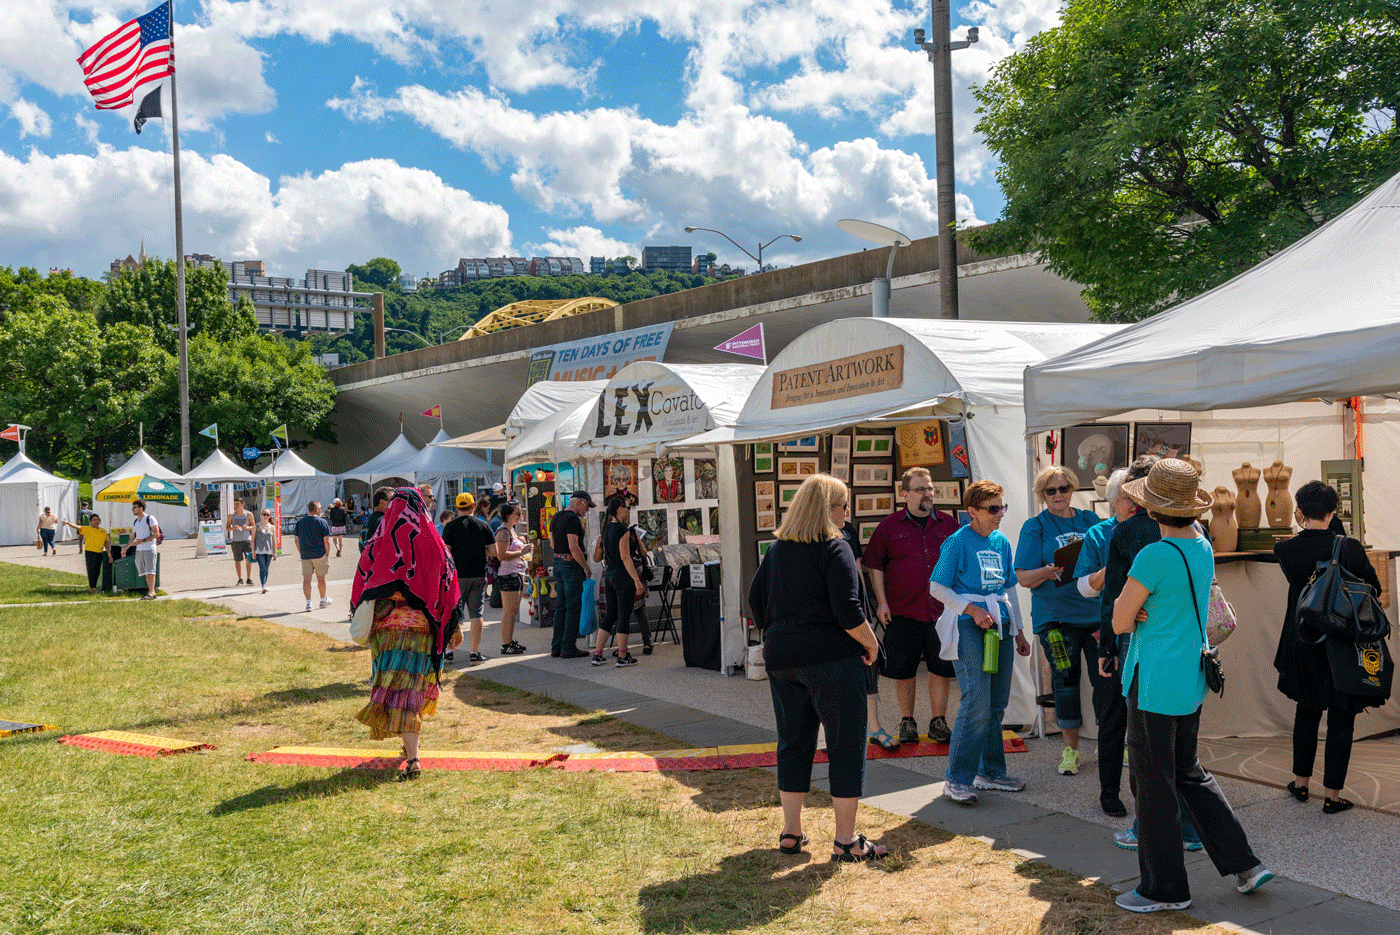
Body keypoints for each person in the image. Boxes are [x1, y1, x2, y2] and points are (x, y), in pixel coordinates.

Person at [1111, 459, 1272, 913]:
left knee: (1155, 783)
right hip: (1191, 675)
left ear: (1153, 509)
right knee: (1189, 772)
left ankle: (1164, 889)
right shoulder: (1201, 545)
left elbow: (1120, 619)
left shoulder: (1153, 555)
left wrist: (1138, 611)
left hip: (1154, 680)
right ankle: (1244, 863)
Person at [749, 474, 886, 861]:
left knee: (793, 742)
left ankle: (790, 832)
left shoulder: (778, 548)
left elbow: (754, 600)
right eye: (845, 506)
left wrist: (778, 632)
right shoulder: (835, 547)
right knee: (845, 745)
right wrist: (873, 643)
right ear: (830, 509)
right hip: (831, 659)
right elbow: (849, 612)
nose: (848, 514)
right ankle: (846, 840)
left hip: (784, 658)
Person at [1273, 480, 1384, 814]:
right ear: (1335, 510)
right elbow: (1374, 590)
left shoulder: (1286, 550)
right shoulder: (1349, 547)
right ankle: (1333, 796)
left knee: (1306, 710)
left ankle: (1301, 784)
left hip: (1303, 640)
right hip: (1341, 644)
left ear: (1299, 510)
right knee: (1341, 717)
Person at [929, 480, 1032, 805]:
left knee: (996, 703)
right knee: (976, 701)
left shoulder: (1001, 541)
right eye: (993, 509)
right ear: (972, 511)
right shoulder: (957, 542)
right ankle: (957, 778)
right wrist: (971, 610)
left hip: (999, 626)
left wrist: (1018, 630)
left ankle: (990, 772)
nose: (1000, 514)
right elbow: (937, 587)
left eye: (1002, 507)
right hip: (969, 627)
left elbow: (1009, 588)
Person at [352, 487, 463, 781]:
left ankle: (412, 755)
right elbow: (448, 584)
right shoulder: (432, 539)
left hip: (386, 634)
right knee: (410, 690)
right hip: (422, 632)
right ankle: (411, 754)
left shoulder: (378, 541)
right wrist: (455, 625)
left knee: (395, 687)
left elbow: (362, 581)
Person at [1015, 466, 1107, 778]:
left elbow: (1109, 556)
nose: (1059, 495)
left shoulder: (1090, 521)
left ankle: (1109, 743)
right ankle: (1071, 749)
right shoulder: (1035, 527)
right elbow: (1023, 578)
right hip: (1055, 619)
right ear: (1042, 495)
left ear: (1072, 489)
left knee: (1107, 682)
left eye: (1064, 488)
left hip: (1095, 616)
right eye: (1051, 490)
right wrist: (1048, 571)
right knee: (1065, 682)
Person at [862, 466, 960, 745]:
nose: (927, 494)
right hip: (903, 609)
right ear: (904, 494)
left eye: (929, 488)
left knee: (940, 667)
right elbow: (875, 566)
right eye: (920, 489)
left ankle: (938, 721)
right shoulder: (889, 527)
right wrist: (881, 602)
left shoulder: (948, 525)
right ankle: (907, 721)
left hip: (941, 609)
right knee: (903, 669)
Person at [1095, 455, 1160, 817]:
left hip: (1132, 632)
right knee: (1156, 722)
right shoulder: (1193, 531)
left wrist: (1107, 645)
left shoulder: (1127, 531)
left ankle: (1111, 793)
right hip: (1169, 633)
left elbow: (1113, 595)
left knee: (1118, 717)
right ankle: (1147, 803)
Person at [838, 511, 897, 751]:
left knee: (869, 667)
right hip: (830, 616)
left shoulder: (849, 530)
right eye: (842, 505)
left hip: (856, 609)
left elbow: (857, 570)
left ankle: (875, 728)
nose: (847, 511)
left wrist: (865, 608)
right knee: (833, 675)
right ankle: (827, 734)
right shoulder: (814, 532)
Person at [590, 496, 646, 667]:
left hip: (610, 576)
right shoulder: (624, 531)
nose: (629, 511)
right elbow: (625, 556)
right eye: (628, 508)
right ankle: (622, 655)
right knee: (623, 616)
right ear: (620, 509)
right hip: (623, 577)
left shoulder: (606, 530)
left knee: (610, 615)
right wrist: (637, 581)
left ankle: (598, 654)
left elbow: (598, 556)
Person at [441, 493, 496, 664]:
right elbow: (495, 553)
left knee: (453, 613)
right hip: (478, 575)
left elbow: (446, 553)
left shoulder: (450, 527)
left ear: (457, 508)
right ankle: (474, 652)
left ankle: (449, 651)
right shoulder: (483, 525)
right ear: (473, 506)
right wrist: (482, 552)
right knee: (476, 614)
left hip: (456, 577)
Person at [549, 490, 595, 658]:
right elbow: (573, 546)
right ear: (580, 503)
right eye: (587, 506)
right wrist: (585, 567)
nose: (587, 510)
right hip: (570, 564)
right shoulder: (573, 519)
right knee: (573, 606)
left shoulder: (557, 516)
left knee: (560, 607)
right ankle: (568, 646)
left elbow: (553, 543)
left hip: (557, 562)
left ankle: (556, 646)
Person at [493, 500, 530, 655]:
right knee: (509, 611)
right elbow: (502, 555)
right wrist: (522, 552)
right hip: (508, 574)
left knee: (513, 610)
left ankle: (509, 641)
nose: (520, 516)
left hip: (516, 573)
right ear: (508, 515)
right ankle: (506, 644)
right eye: (518, 513)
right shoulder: (503, 532)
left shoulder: (511, 530)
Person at [294, 500, 333, 612]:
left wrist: (301, 551)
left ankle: (308, 603)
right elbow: (327, 540)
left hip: (305, 554)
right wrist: (327, 553)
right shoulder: (322, 522)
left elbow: (296, 540)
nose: (321, 510)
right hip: (319, 554)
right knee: (321, 579)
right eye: (320, 508)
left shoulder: (300, 522)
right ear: (316, 509)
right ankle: (322, 599)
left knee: (307, 579)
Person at [63, 513, 111, 594]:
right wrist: (68, 523)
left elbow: (106, 544)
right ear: (91, 522)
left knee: (97, 571)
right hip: (90, 552)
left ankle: (94, 587)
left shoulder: (103, 530)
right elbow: (77, 527)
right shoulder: (87, 529)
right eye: (94, 520)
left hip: (99, 553)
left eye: (98, 520)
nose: (96, 521)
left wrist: (109, 554)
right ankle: (93, 588)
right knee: (91, 570)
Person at [130, 499, 160, 600]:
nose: (132, 509)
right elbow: (132, 537)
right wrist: (125, 548)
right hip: (139, 550)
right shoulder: (136, 522)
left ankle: (152, 592)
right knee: (145, 572)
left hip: (149, 548)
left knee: (150, 571)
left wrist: (142, 540)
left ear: (141, 508)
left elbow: (156, 534)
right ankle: (150, 591)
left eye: (134, 507)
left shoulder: (150, 518)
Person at [226, 497, 255, 586]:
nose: (236, 506)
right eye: (235, 504)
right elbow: (227, 528)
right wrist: (233, 528)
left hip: (247, 539)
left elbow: (253, 527)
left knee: (248, 559)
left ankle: (249, 578)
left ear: (242, 504)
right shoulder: (231, 515)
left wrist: (246, 527)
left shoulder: (249, 514)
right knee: (237, 560)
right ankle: (240, 579)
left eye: (238, 504)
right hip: (236, 540)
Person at [360, 487, 393, 551]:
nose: (395, 503)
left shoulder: (369, 519)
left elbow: (361, 545)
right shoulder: (383, 521)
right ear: (382, 502)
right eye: (391, 500)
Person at [253, 508, 277, 593]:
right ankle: (263, 585)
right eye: (264, 514)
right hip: (259, 551)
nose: (265, 516)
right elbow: (253, 540)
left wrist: (275, 553)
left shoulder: (272, 527)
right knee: (262, 567)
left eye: (267, 514)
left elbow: (274, 541)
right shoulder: (256, 526)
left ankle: (264, 584)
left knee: (266, 568)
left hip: (269, 551)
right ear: (261, 515)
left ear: (270, 516)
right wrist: (253, 551)